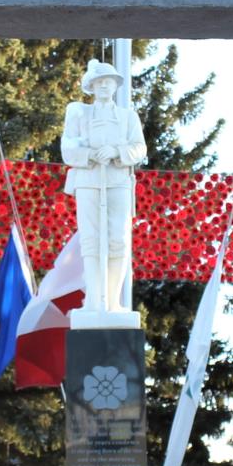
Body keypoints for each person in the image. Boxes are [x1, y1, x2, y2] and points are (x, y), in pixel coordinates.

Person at [61, 58, 146, 320]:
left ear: (115, 86)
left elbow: (139, 148)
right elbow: (68, 148)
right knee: (91, 241)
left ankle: (112, 302)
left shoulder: (127, 117)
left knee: (118, 240)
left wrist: (117, 152)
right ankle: (94, 301)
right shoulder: (79, 113)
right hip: (88, 180)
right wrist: (90, 154)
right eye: (99, 83)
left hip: (118, 181)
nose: (104, 87)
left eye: (108, 82)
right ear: (92, 86)